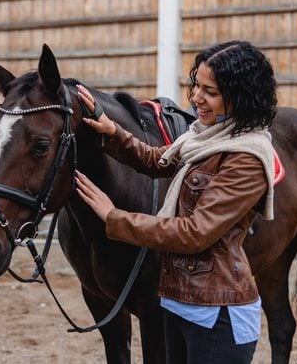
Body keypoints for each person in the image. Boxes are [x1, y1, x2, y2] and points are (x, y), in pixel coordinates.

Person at [74, 40, 277, 364]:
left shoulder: (246, 158)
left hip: (217, 315)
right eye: (196, 86)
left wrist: (114, 218)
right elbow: (158, 160)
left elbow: (194, 233)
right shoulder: (203, 136)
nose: (196, 98)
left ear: (241, 96)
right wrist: (112, 132)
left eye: (210, 92)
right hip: (178, 301)